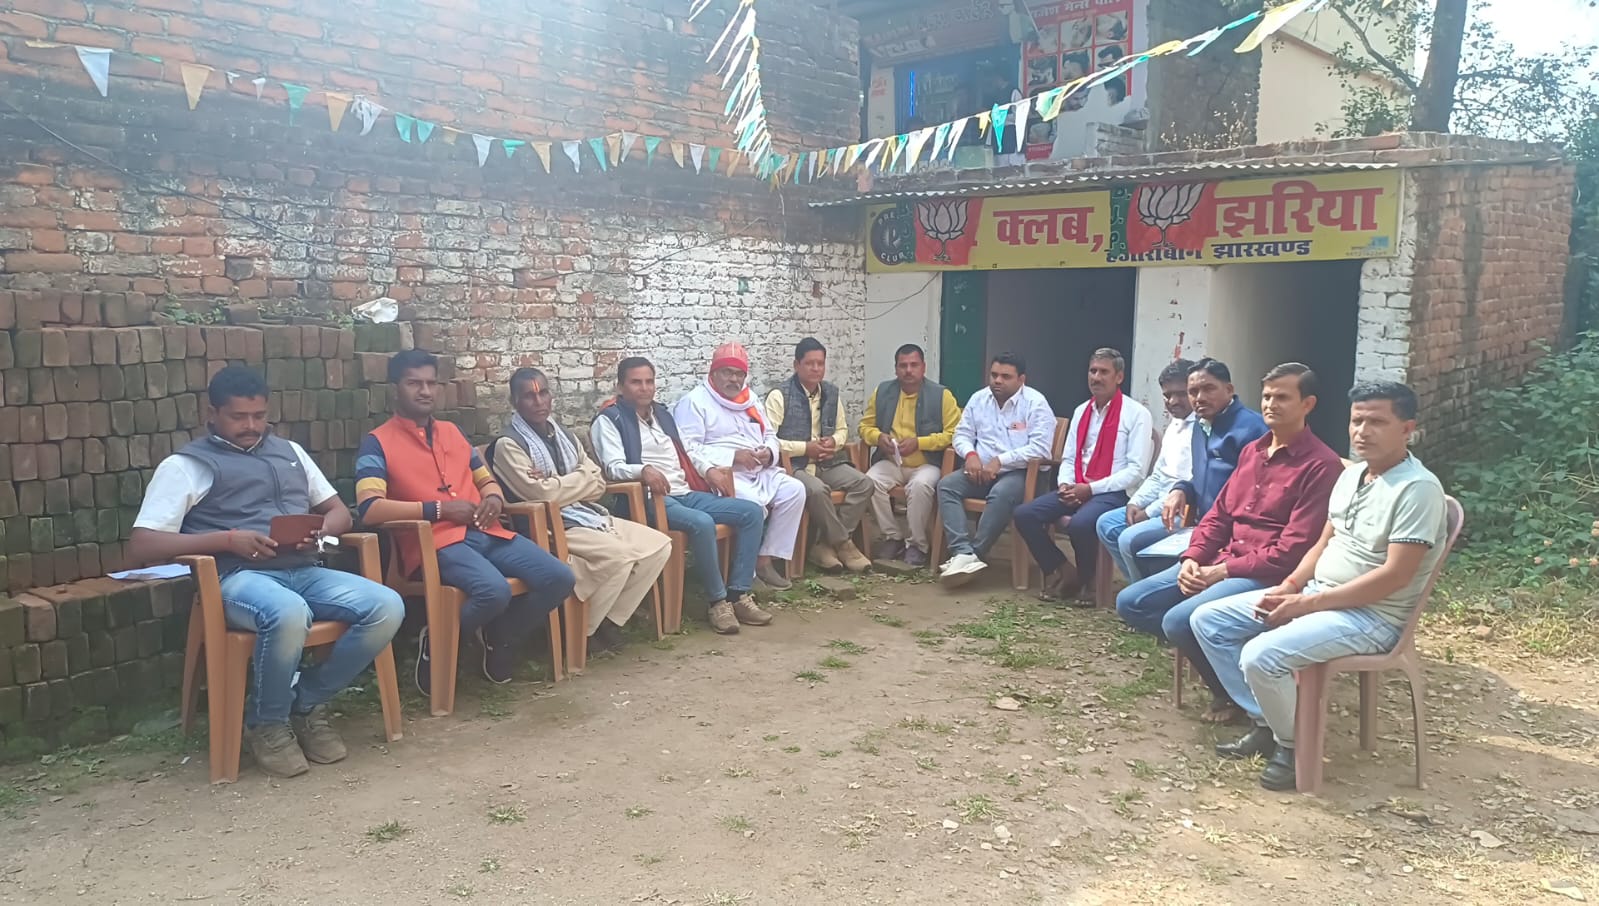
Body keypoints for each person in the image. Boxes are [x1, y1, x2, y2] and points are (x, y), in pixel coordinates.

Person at [127, 366, 404, 778]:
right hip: (237, 578)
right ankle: (267, 724)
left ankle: (305, 702)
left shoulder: (290, 452)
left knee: (386, 606)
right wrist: (227, 540)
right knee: (288, 612)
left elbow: (339, 512)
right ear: (212, 413)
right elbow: (143, 544)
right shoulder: (186, 466)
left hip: (303, 569)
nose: (251, 426)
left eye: (259, 415)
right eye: (239, 417)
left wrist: (321, 533)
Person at [1192, 382, 1448, 791]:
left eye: (1377, 422)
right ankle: (1269, 722)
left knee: (1261, 655)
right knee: (1208, 620)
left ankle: (1295, 746)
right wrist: (1291, 586)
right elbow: (1324, 542)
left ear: (1407, 429)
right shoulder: (1352, 475)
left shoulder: (1417, 489)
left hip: (1372, 617)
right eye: (1357, 420)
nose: (1363, 431)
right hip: (1318, 595)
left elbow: (1396, 576)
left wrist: (1307, 604)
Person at [1116, 363, 1342, 724]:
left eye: (1282, 397)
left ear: (1308, 404)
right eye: (1267, 396)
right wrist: (1192, 558)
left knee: (1178, 621)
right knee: (1132, 602)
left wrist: (1220, 571)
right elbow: (1218, 516)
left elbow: (1293, 550)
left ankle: (1242, 698)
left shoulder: (1321, 465)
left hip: (1267, 573)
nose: (1271, 405)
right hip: (1224, 559)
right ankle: (1226, 667)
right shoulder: (1253, 452)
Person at [358, 349, 575, 696]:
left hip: (487, 531)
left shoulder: (453, 433)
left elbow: (486, 480)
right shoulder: (377, 442)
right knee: (494, 591)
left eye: (431, 383)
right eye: (414, 383)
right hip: (435, 542)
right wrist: (439, 511)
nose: (425, 391)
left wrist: (493, 499)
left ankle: (499, 635)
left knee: (560, 577)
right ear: (395, 389)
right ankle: (439, 639)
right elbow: (370, 509)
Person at [486, 368, 672, 654]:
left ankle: (608, 620)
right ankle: (583, 631)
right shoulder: (508, 445)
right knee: (619, 556)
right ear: (515, 402)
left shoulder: (566, 437)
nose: (539, 402)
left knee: (659, 546)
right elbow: (542, 496)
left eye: (543, 393)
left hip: (587, 515)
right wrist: (579, 479)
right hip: (549, 526)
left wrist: (558, 483)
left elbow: (598, 484)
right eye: (529, 396)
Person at [591, 357, 772, 636]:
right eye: (636, 382)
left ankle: (738, 594)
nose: (644, 388)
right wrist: (644, 470)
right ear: (620, 386)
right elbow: (613, 467)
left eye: (649, 381)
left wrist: (709, 470)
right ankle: (717, 602)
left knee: (751, 512)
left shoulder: (662, 414)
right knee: (701, 522)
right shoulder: (609, 419)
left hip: (684, 492)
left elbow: (687, 451)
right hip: (649, 499)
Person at [1013, 348, 1153, 604]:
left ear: (1119, 377)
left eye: (1104, 372)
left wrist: (1090, 489)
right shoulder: (1081, 411)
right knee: (1025, 514)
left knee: (1080, 523)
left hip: (1115, 492)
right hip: (1078, 485)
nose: (1096, 377)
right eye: (1092, 371)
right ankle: (1064, 571)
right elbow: (1068, 458)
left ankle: (1090, 581)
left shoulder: (1136, 414)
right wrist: (1066, 485)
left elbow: (1136, 472)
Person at [674, 343, 807, 599]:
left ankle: (764, 560)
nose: (734, 379)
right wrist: (733, 457)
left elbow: (770, 434)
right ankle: (749, 576)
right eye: (727, 372)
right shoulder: (694, 402)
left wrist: (769, 453)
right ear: (713, 373)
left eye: (739, 374)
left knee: (795, 491)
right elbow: (688, 449)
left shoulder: (749, 398)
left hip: (759, 470)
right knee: (753, 505)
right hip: (724, 476)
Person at [937, 353, 1057, 586]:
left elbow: (1041, 449)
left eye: (1005, 376)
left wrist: (1001, 461)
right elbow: (961, 434)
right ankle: (963, 552)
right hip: (980, 471)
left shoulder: (1036, 403)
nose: (997, 381)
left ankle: (975, 553)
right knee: (947, 486)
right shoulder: (979, 399)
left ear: (1021, 379)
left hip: (1023, 474)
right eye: (994, 375)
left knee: (1001, 493)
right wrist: (970, 455)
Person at [763, 338, 874, 573]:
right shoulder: (779, 395)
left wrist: (834, 442)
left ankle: (824, 545)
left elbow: (842, 429)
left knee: (864, 483)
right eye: (809, 363)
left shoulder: (831, 393)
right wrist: (805, 448)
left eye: (820, 363)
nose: (816, 369)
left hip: (827, 462)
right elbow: (768, 440)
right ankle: (844, 544)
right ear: (797, 365)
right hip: (793, 465)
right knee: (816, 490)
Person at [858, 343, 963, 568]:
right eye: (903, 365)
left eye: (914, 365)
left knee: (920, 485)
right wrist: (878, 437)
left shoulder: (941, 395)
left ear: (923, 367)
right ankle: (892, 537)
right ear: (895, 368)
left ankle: (917, 544)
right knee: (869, 481)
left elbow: (954, 434)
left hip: (927, 463)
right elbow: (864, 427)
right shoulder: (883, 392)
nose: (908, 370)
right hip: (891, 461)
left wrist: (920, 443)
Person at [1095, 358, 1195, 583]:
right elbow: (1159, 474)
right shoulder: (1175, 425)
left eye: (1181, 394)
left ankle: (1143, 591)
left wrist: (1148, 513)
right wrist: (1136, 503)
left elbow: (1190, 483)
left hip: (1183, 510)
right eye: (1167, 395)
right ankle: (1140, 584)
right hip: (1158, 504)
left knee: (1129, 537)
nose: (1173, 401)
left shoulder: (1200, 428)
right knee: (1106, 524)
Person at [1162, 358, 1269, 552]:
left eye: (1208, 389)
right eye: (1193, 392)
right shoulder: (1200, 425)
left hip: (1232, 536)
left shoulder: (1253, 429)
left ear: (1229, 390)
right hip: (1203, 527)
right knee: (1134, 545)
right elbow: (1204, 478)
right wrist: (1181, 489)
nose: (1200, 398)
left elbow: (1260, 494)